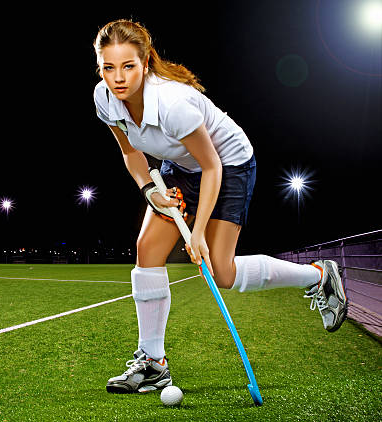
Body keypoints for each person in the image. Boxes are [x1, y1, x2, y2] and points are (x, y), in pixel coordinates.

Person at [92, 19, 348, 394]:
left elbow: (212, 166)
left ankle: (319, 275)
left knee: (221, 272)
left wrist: (198, 234)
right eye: (108, 67)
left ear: (145, 63)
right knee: (147, 249)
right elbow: (131, 153)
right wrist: (150, 190)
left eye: (128, 66)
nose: (118, 77)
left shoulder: (173, 103)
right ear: (100, 67)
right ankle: (152, 362)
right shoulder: (105, 99)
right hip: (179, 167)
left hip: (228, 165)